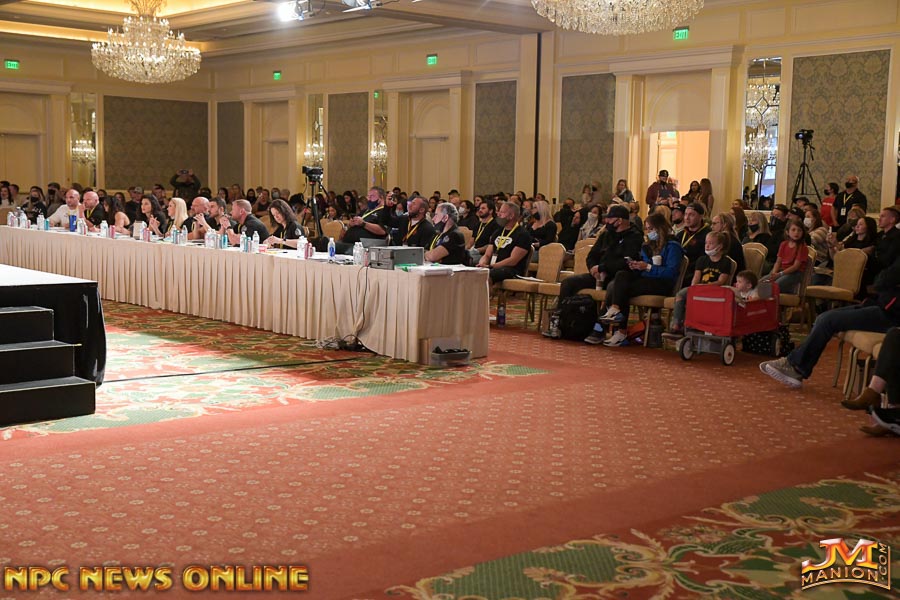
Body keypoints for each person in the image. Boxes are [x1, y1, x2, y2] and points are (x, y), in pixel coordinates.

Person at [760, 254, 900, 389]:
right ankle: (795, 365)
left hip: (891, 316)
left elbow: (884, 280)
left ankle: (796, 367)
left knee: (827, 320)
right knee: (823, 318)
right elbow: (881, 279)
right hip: (881, 305)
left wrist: (885, 282)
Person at [591, 212, 684, 346]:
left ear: (660, 228)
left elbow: (671, 272)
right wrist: (637, 266)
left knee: (620, 288)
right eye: (647, 229)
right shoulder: (648, 246)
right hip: (647, 278)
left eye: (651, 229)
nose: (649, 232)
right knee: (621, 275)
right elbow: (645, 266)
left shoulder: (673, 246)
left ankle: (615, 328)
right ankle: (616, 312)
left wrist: (648, 267)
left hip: (663, 283)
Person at [558, 204, 644, 301]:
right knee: (568, 283)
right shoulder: (606, 235)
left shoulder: (635, 237)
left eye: (610, 219)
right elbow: (592, 255)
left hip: (619, 277)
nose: (606, 221)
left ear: (619, 221)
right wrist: (593, 268)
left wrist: (603, 268)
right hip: (598, 275)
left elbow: (627, 261)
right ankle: (563, 309)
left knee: (613, 288)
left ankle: (609, 311)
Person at [669, 230, 736, 334]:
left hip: (715, 290)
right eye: (706, 243)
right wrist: (694, 287)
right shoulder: (702, 260)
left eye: (711, 243)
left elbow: (721, 281)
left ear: (720, 246)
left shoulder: (725, 261)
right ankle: (677, 323)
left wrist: (707, 286)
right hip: (699, 288)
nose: (707, 246)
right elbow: (696, 277)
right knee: (681, 294)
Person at [477, 202, 533, 284]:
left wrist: (491, 266)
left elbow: (513, 260)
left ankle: (486, 293)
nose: (498, 214)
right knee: (473, 272)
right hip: (493, 267)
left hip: (511, 270)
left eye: (502, 212)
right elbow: (487, 255)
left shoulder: (523, 235)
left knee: (487, 275)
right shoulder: (498, 232)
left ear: (511, 216)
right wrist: (482, 264)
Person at [766, 221, 809, 294]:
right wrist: (774, 273)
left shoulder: (802, 247)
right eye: (793, 230)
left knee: (775, 285)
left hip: (795, 273)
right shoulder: (784, 244)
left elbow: (795, 266)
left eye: (799, 230)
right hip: (782, 270)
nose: (796, 232)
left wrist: (780, 274)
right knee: (761, 283)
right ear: (787, 232)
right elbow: (778, 262)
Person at [676, 203, 712, 288]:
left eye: (691, 215)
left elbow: (705, 259)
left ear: (701, 216)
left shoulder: (708, 235)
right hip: (678, 269)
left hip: (694, 273)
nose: (687, 218)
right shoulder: (680, 235)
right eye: (685, 214)